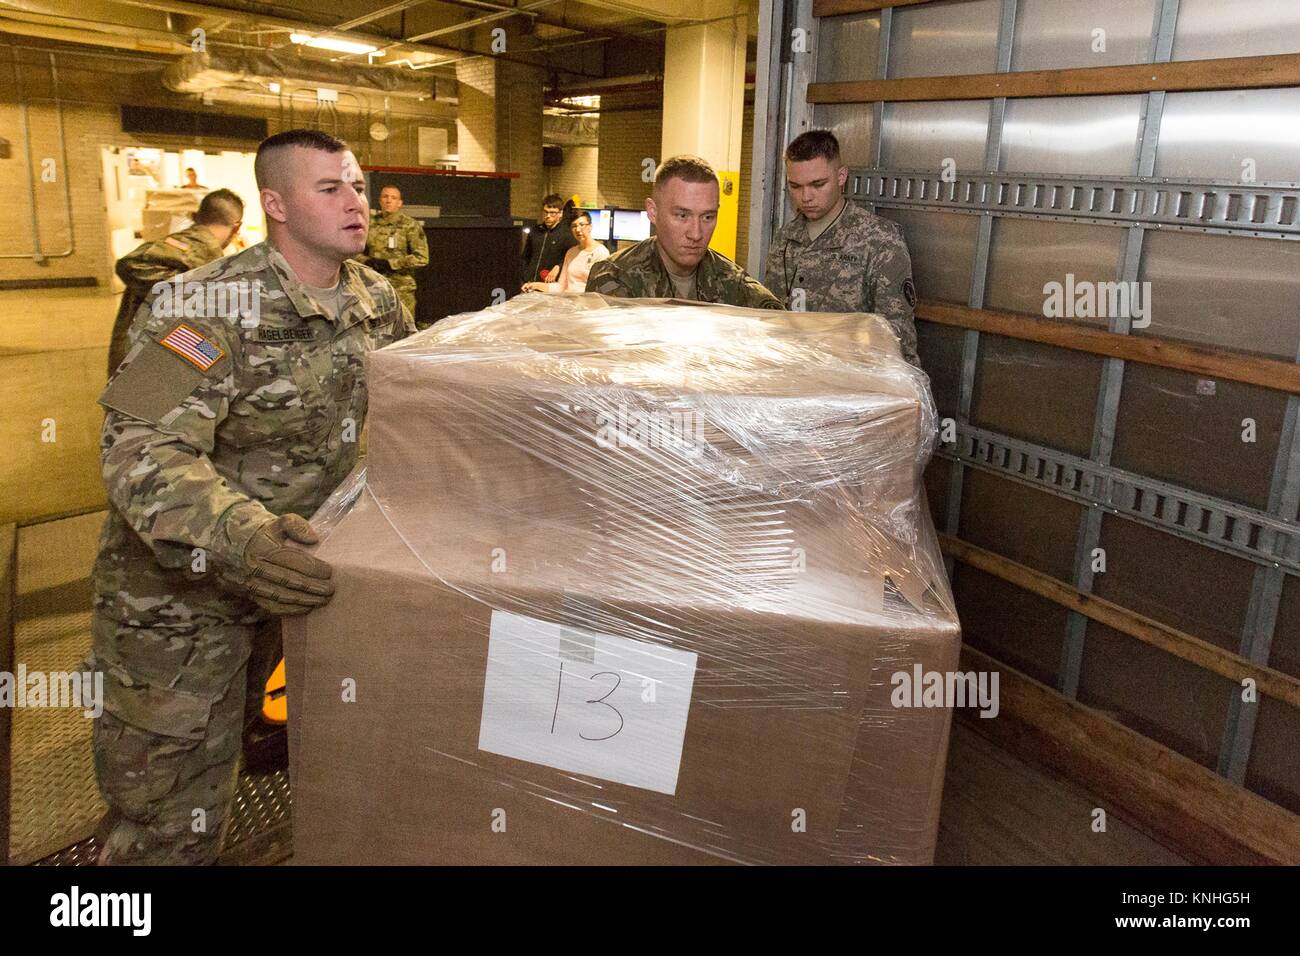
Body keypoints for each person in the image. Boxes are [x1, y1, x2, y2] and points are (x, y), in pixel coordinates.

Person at [90, 128, 407, 865]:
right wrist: (243, 536)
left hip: (292, 593)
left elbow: (407, 414)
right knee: (165, 824)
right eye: (329, 189)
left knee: (284, 781)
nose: (355, 202)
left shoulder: (375, 300)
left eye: (357, 185)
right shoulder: (200, 307)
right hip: (179, 609)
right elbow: (138, 445)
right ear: (277, 205)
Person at [763, 129, 920, 365]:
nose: (806, 197)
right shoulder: (786, 238)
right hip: (792, 374)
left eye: (818, 184)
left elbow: (896, 338)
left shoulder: (879, 241)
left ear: (841, 176)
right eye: (795, 186)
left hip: (851, 382)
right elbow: (772, 316)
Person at [585, 155, 781, 309]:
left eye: (707, 217)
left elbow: (784, 332)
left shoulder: (733, 282)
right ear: (653, 212)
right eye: (682, 216)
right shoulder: (614, 277)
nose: (696, 234)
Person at [107, 189, 243, 376]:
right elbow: (130, 264)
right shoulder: (197, 249)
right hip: (147, 373)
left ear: (195, 216)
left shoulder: (200, 253)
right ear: (237, 227)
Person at [358, 185, 427, 333]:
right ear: (380, 201)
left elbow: (422, 257)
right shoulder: (369, 223)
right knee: (373, 331)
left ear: (399, 203)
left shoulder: (409, 225)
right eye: (385, 197)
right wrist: (367, 261)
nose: (389, 200)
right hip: (372, 286)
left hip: (401, 288)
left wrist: (391, 264)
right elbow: (353, 251)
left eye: (393, 198)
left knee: (402, 331)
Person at [521, 210, 610, 294]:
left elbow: (604, 288)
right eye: (574, 226)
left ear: (590, 227)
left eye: (582, 224)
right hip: (568, 302)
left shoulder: (601, 253)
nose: (578, 230)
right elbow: (561, 286)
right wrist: (535, 285)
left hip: (588, 305)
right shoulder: (571, 252)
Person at [521, 193, 577, 288]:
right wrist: (525, 275)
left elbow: (572, 259)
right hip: (529, 283)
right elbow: (526, 256)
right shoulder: (535, 231)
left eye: (552, 213)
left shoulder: (567, 235)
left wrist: (558, 266)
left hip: (551, 286)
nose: (548, 216)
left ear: (560, 213)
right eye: (546, 212)